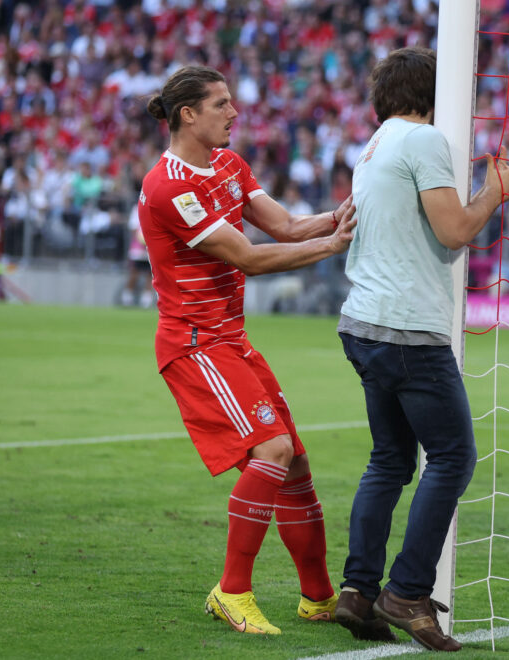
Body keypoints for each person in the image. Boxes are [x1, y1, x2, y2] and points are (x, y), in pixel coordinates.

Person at [334, 47, 509, 652]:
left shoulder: (375, 142)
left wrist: (492, 189)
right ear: (438, 92)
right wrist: (495, 189)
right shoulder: (424, 141)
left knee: (390, 462)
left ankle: (357, 591)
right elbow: (455, 230)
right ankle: (406, 591)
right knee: (452, 457)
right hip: (406, 328)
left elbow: (430, 233)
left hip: (364, 322)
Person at [138, 65, 357, 635]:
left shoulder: (231, 166)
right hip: (194, 344)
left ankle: (317, 598)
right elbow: (250, 258)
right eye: (222, 104)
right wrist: (334, 245)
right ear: (188, 114)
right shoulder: (168, 186)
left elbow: (283, 227)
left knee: (297, 463)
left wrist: (345, 215)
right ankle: (231, 590)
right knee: (274, 451)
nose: (235, 113)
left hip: (231, 340)